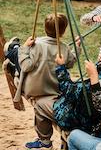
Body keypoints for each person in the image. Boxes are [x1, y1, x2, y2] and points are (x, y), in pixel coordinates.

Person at [4, 13, 81, 150]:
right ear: (63, 32)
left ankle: (13, 50)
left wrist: (26, 48)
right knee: (42, 109)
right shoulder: (63, 48)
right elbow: (70, 63)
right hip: (54, 90)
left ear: (45, 28)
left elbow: (26, 65)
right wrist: (77, 47)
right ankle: (46, 140)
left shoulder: (36, 44)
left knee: (18, 60)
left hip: (35, 90)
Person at [53, 54, 101, 133]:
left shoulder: (88, 92)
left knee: (41, 104)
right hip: (75, 101)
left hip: (66, 113)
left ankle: (54, 139)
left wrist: (60, 67)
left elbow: (67, 87)